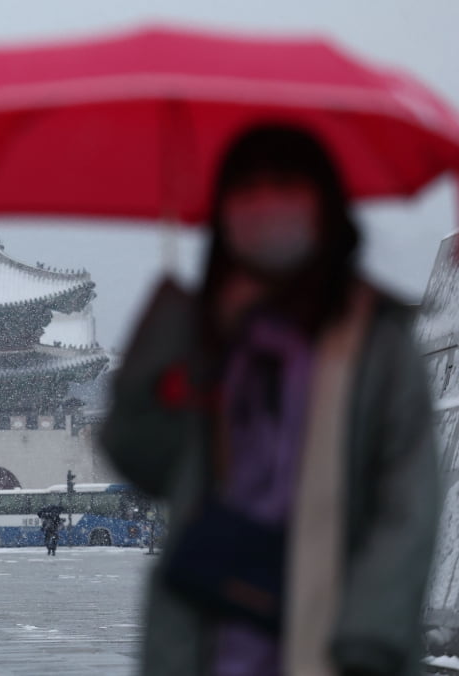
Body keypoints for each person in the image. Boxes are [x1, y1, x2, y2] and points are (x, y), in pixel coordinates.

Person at [100, 126, 440, 676]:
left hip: (338, 639)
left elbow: (408, 502)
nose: (264, 205)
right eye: (247, 189)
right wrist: (165, 334)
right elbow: (141, 461)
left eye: (284, 185)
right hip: (207, 640)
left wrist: (368, 640)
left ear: (323, 203)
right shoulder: (205, 337)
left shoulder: (378, 343)